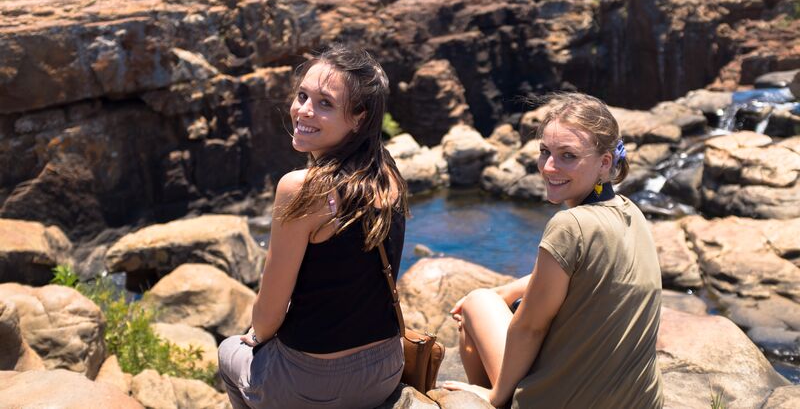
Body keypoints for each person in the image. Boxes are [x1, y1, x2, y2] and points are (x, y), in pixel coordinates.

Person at [218, 45, 409, 408]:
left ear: (358, 118)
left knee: (231, 351)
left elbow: (268, 317)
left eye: (325, 103)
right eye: (302, 95)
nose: (303, 110)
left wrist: (258, 335)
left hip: (312, 383)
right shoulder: (386, 171)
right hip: (385, 368)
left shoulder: (300, 189)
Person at [444, 93, 664, 408]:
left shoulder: (570, 224)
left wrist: (497, 394)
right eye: (545, 151)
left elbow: (531, 327)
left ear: (604, 163)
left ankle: (492, 401)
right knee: (492, 300)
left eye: (568, 156)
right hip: (637, 402)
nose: (549, 167)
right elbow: (580, 272)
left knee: (477, 304)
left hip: (564, 402)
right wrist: (505, 290)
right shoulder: (630, 211)